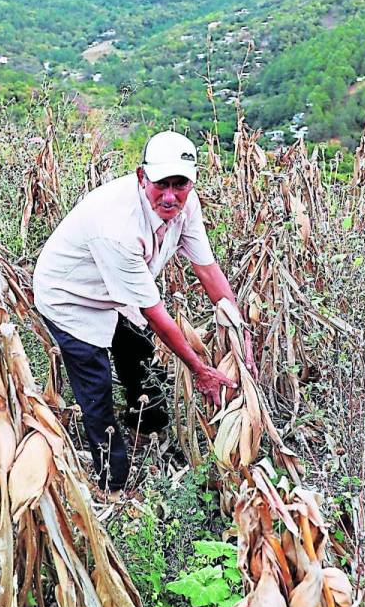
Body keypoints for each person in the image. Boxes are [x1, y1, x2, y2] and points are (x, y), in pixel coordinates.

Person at [33, 130, 253, 493]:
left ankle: (149, 428)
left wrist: (238, 329)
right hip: (70, 297)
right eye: (160, 184)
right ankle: (113, 481)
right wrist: (200, 371)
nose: (170, 196)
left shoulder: (186, 204)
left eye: (179, 184)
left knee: (138, 353)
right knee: (96, 387)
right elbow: (155, 313)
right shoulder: (118, 226)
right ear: (141, 177)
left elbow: (208, 270)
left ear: (191, 182)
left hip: (116, 291)